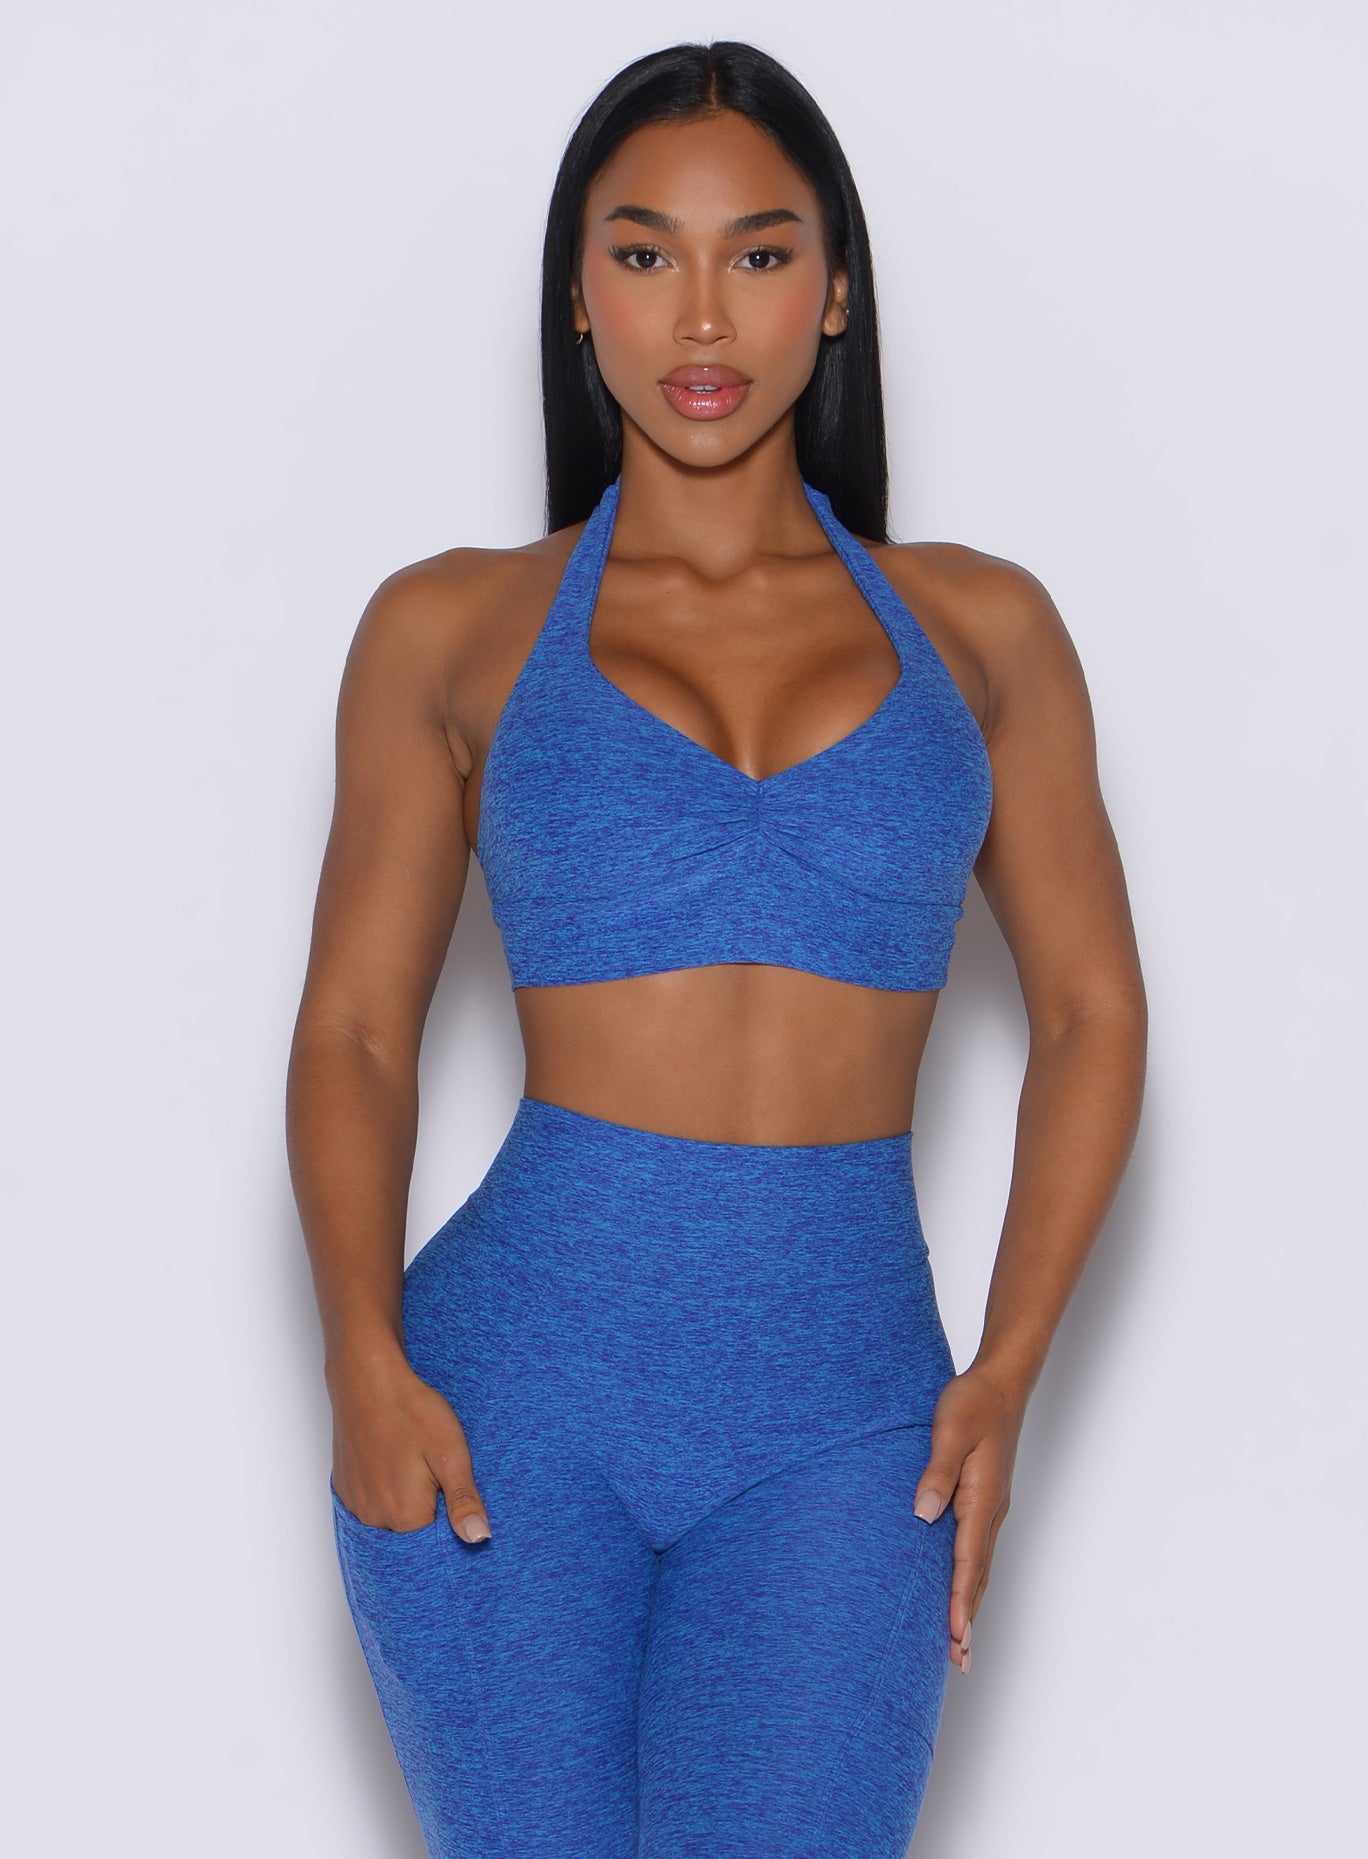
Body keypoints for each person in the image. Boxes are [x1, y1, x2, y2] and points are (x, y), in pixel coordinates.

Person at [286, 38, 1147, 1859]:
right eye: (642, 252)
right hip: (507, 1406)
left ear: (833, 293)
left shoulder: (985, 632)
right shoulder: (451, 628)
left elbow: (1090, 1010)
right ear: (577, 293)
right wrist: (359, 1353)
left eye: (758, 253)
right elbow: (356, 1031)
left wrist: (1007, 1372)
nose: (701, 314)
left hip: (850, 1420)